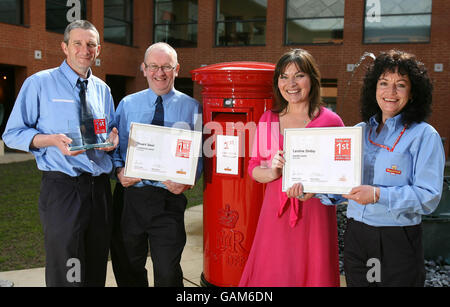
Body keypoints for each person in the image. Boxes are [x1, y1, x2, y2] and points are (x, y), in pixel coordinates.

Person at [2, 20, 118, 287]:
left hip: (99, 190)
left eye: (90, 44)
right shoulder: (39, 84)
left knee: (96, 261)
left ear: (98, 50)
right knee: (69, 265)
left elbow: (109, 129)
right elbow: (12, 133)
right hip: (64, 188)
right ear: (64, 47)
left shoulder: (103, 89)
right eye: (77, 43)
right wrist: (50, 140)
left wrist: (112, 139)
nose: (84, 50)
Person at [338, 50, 445, 286]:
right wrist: (315, 188)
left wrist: (378, 194)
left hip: (396, 238)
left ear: (413, 92)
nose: (390, 92)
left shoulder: (424, 135)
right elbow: (342, 182)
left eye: (401, 85)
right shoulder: (359, 131)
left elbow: (429, 196)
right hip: (357, 234)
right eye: (384, 83)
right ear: (373, 88)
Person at [239, 49, 344, 287]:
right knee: (274, 274)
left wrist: (316, 189)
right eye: (284, 77)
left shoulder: (331, 122)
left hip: (314, 214)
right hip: (276, 213)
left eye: (299, 75)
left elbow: (342, 176)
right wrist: (272, 172)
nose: (291, 84)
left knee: (313, 273)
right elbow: (254, 167)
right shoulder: (269, 118)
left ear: (312, 80)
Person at [111, 42, 202, 287]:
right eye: (153, 66)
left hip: (167, 200)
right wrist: (119, 171)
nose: (159, 73)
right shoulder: (127, 104)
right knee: (128, 265)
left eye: (166, 67)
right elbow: (113, 145)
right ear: (144, 68)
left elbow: (200, 155)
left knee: (168, 270)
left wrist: (187, 181)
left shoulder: (192, 108)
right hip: (130, 197)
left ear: (177, 69)